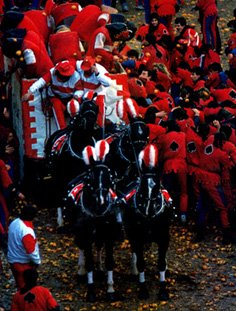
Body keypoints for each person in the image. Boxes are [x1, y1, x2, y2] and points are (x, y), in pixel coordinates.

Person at [22, 60, 81, 130]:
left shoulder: (76, 76)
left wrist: (75, 97)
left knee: (74, 105)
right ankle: (62, 130)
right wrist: (30, 92)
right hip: (55, 96)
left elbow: (80, 90)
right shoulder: (52, 72)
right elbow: (42, 81)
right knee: (56, 104)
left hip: (70, 98)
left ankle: (77, 128)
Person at [75, 56, 118, 127]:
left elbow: (109, 83)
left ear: (93, 66)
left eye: (87, 69)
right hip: (81, 95)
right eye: (84, 69)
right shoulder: (80, 64)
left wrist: (97, 74)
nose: (85, 71)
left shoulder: (102, 70)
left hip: (94, 98)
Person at [7, 204, 41, 289]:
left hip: (13, 260)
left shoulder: (15, 222)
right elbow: (31, 251)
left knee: (20, 286)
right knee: (26, 290)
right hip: (22, 263)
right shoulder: (27, 231)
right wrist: (37, 262)